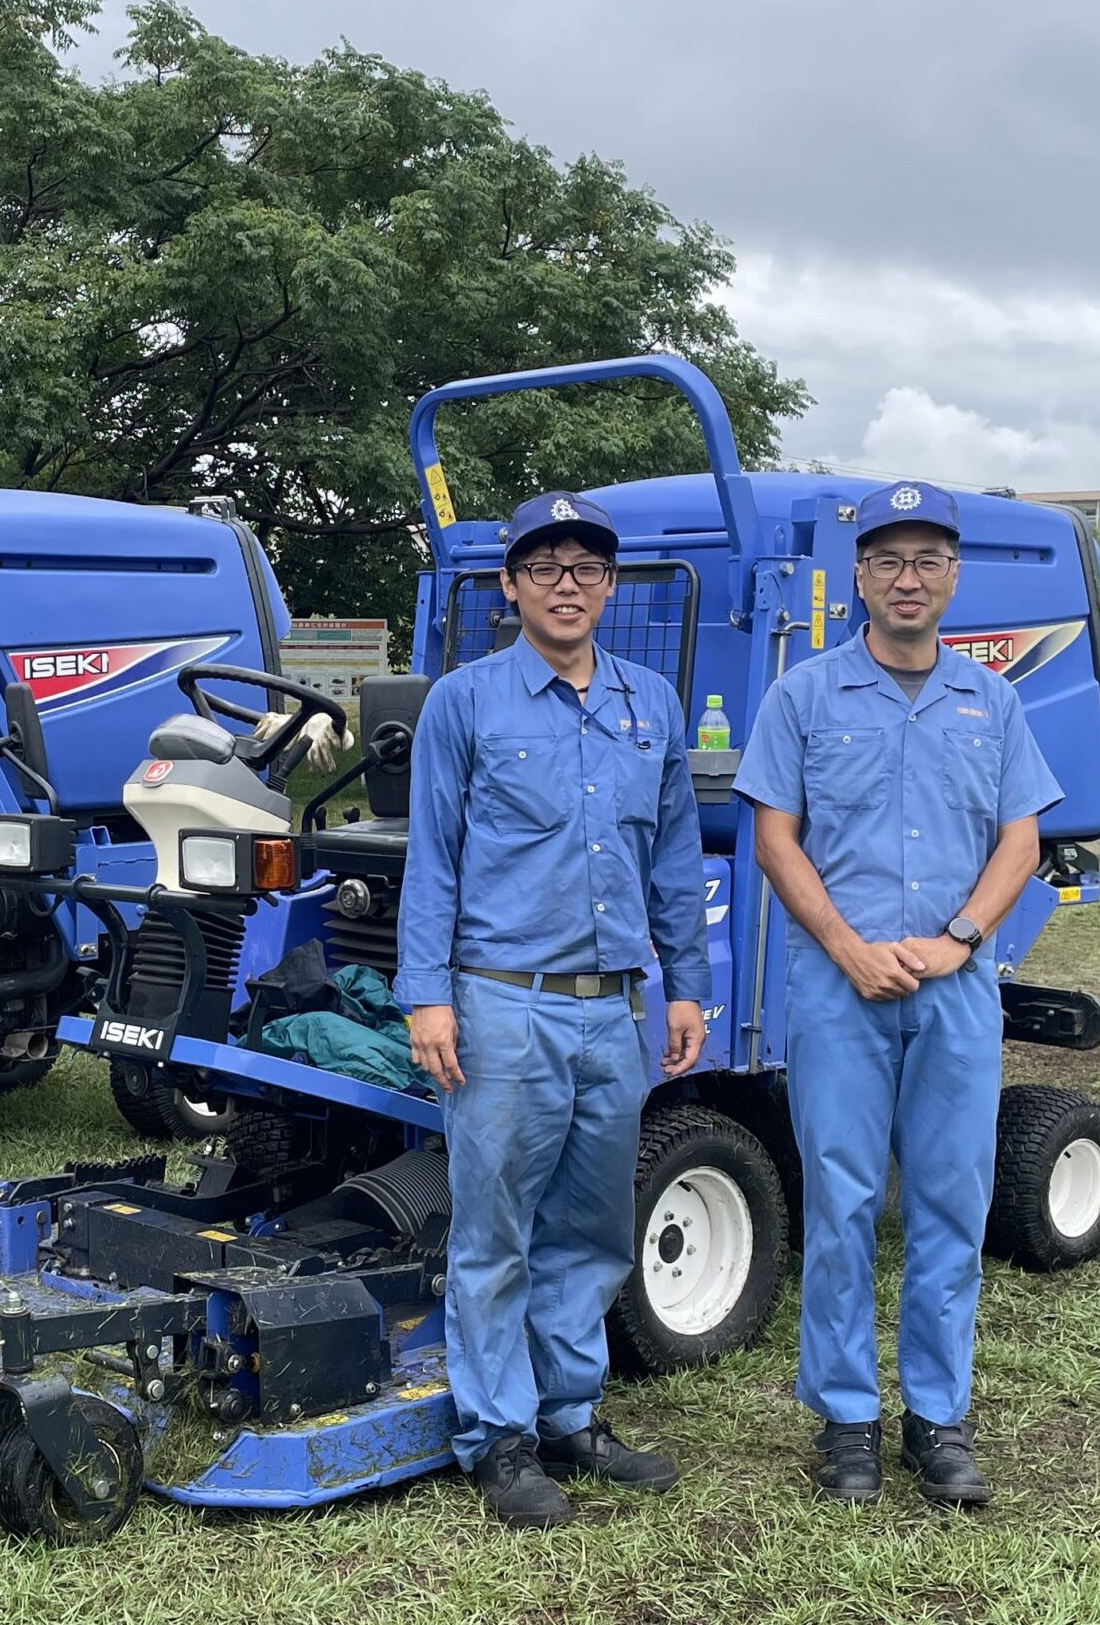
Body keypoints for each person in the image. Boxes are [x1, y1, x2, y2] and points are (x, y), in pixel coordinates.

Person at [733, 480, 1062, 1508]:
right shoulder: (802, 696)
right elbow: (773, 836)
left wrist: (963, 938)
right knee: (838, 1206)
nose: (907, 578)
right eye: (887, 561)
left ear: (950, 578)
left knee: (951, 1206)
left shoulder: (991, 702)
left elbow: (1022, 836)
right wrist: (843, 945)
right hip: (841, 991)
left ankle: (936, 1419)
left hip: (955, 990)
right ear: (860, 579)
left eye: (926, 561)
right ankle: (844, 1423)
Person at [398, 491, 710, 1529]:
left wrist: (686, 984)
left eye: (584, 568)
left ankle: (570, 1414)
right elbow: (431, 861)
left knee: (589, 1227)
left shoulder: (648, 705)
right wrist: (428, 997)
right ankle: (497, 1437)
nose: (565, 584)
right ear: (510, 586)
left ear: (609, 586)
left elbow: (671, 856)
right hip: (501, 1006)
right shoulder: (465, 702)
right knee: (495, 1231)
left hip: (614, 1010)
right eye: (544, 567)